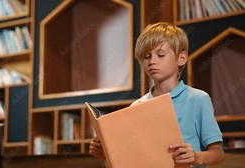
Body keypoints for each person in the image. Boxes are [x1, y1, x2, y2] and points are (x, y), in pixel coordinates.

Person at [89, 22, 224, 167]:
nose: (152, 61)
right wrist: (106, 154)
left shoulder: (198, 99)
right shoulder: (136, 106)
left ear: (181, 58)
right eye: (146, 57)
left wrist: (197, 157)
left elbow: (218, 153)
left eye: (160, 55)